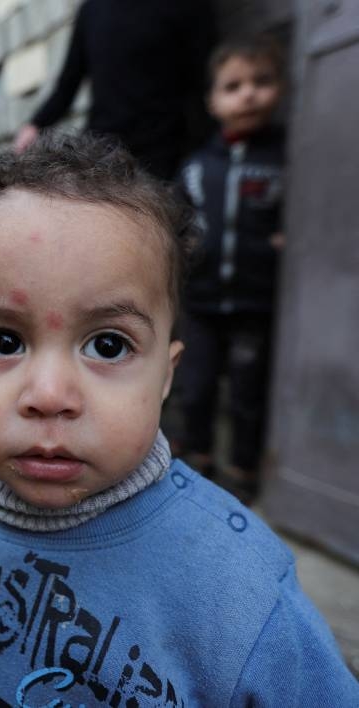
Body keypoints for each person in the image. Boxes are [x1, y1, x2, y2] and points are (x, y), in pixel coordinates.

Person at [0, 134, 358, 706]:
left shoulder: (237, 591)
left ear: (165, 377)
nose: (49, 395)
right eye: (2, 340)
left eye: (109, 346)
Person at [175, 36, 287, 503]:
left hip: (253, 303)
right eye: (233, 86)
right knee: (195, 386)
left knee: (247, 393)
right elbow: (178, 219)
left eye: (261, 82)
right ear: (213, 101)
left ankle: (243, 469)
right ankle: (196, 458)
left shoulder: (285, 159)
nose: (248, 94)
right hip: (200, 303)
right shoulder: (199, 166)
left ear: (279, 89)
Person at [13, 0, 215, 180]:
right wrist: (36, 125)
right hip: (101, 150)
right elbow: (68, 83)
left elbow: (204, 82)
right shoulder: (92, 10)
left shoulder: (187, 5)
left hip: (164, 153)